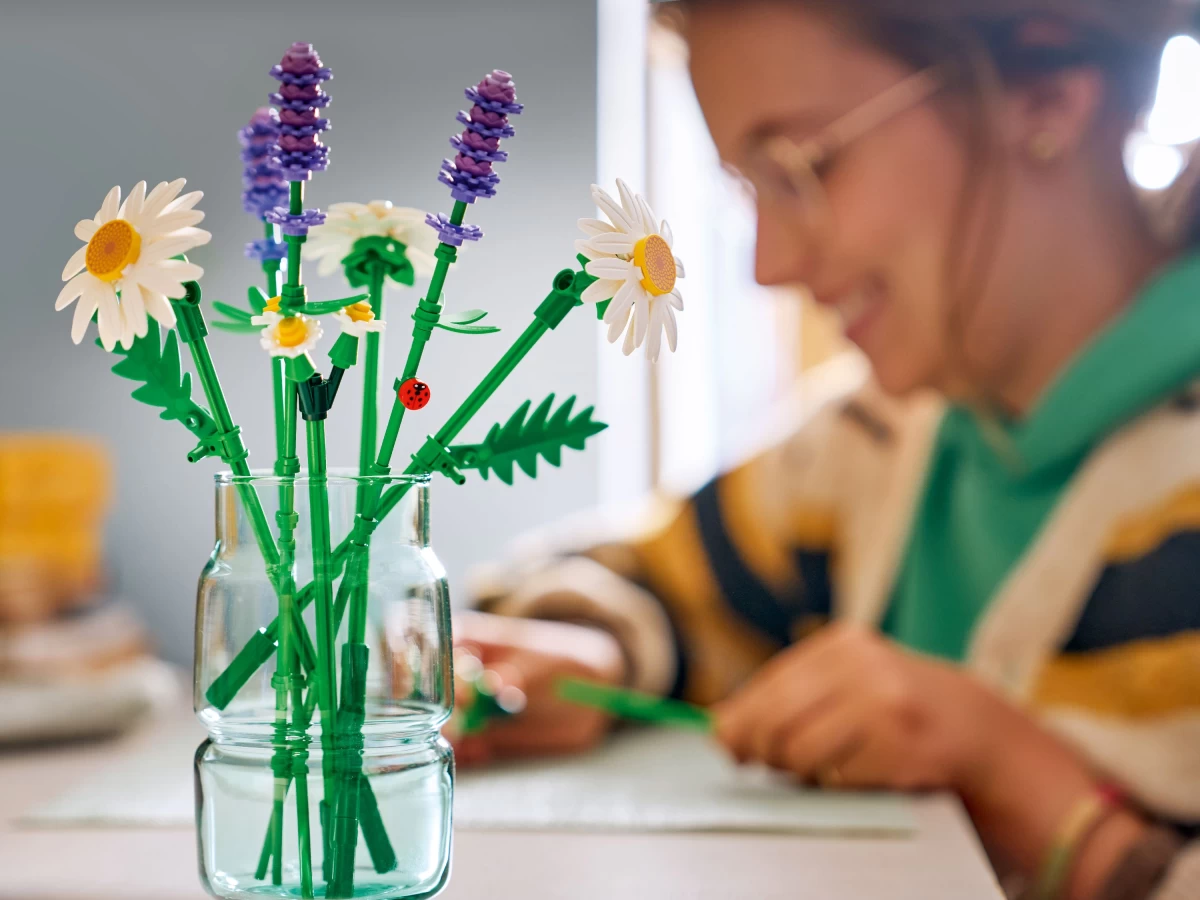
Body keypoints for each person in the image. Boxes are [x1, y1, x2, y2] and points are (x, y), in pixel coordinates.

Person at [450, 2, 1200, 897]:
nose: (766, 264)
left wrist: (1024, 787)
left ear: (1046, 98)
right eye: (745, 187)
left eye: (802, 164)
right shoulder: (876, 443)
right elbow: (653, 578)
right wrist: (596, 647)